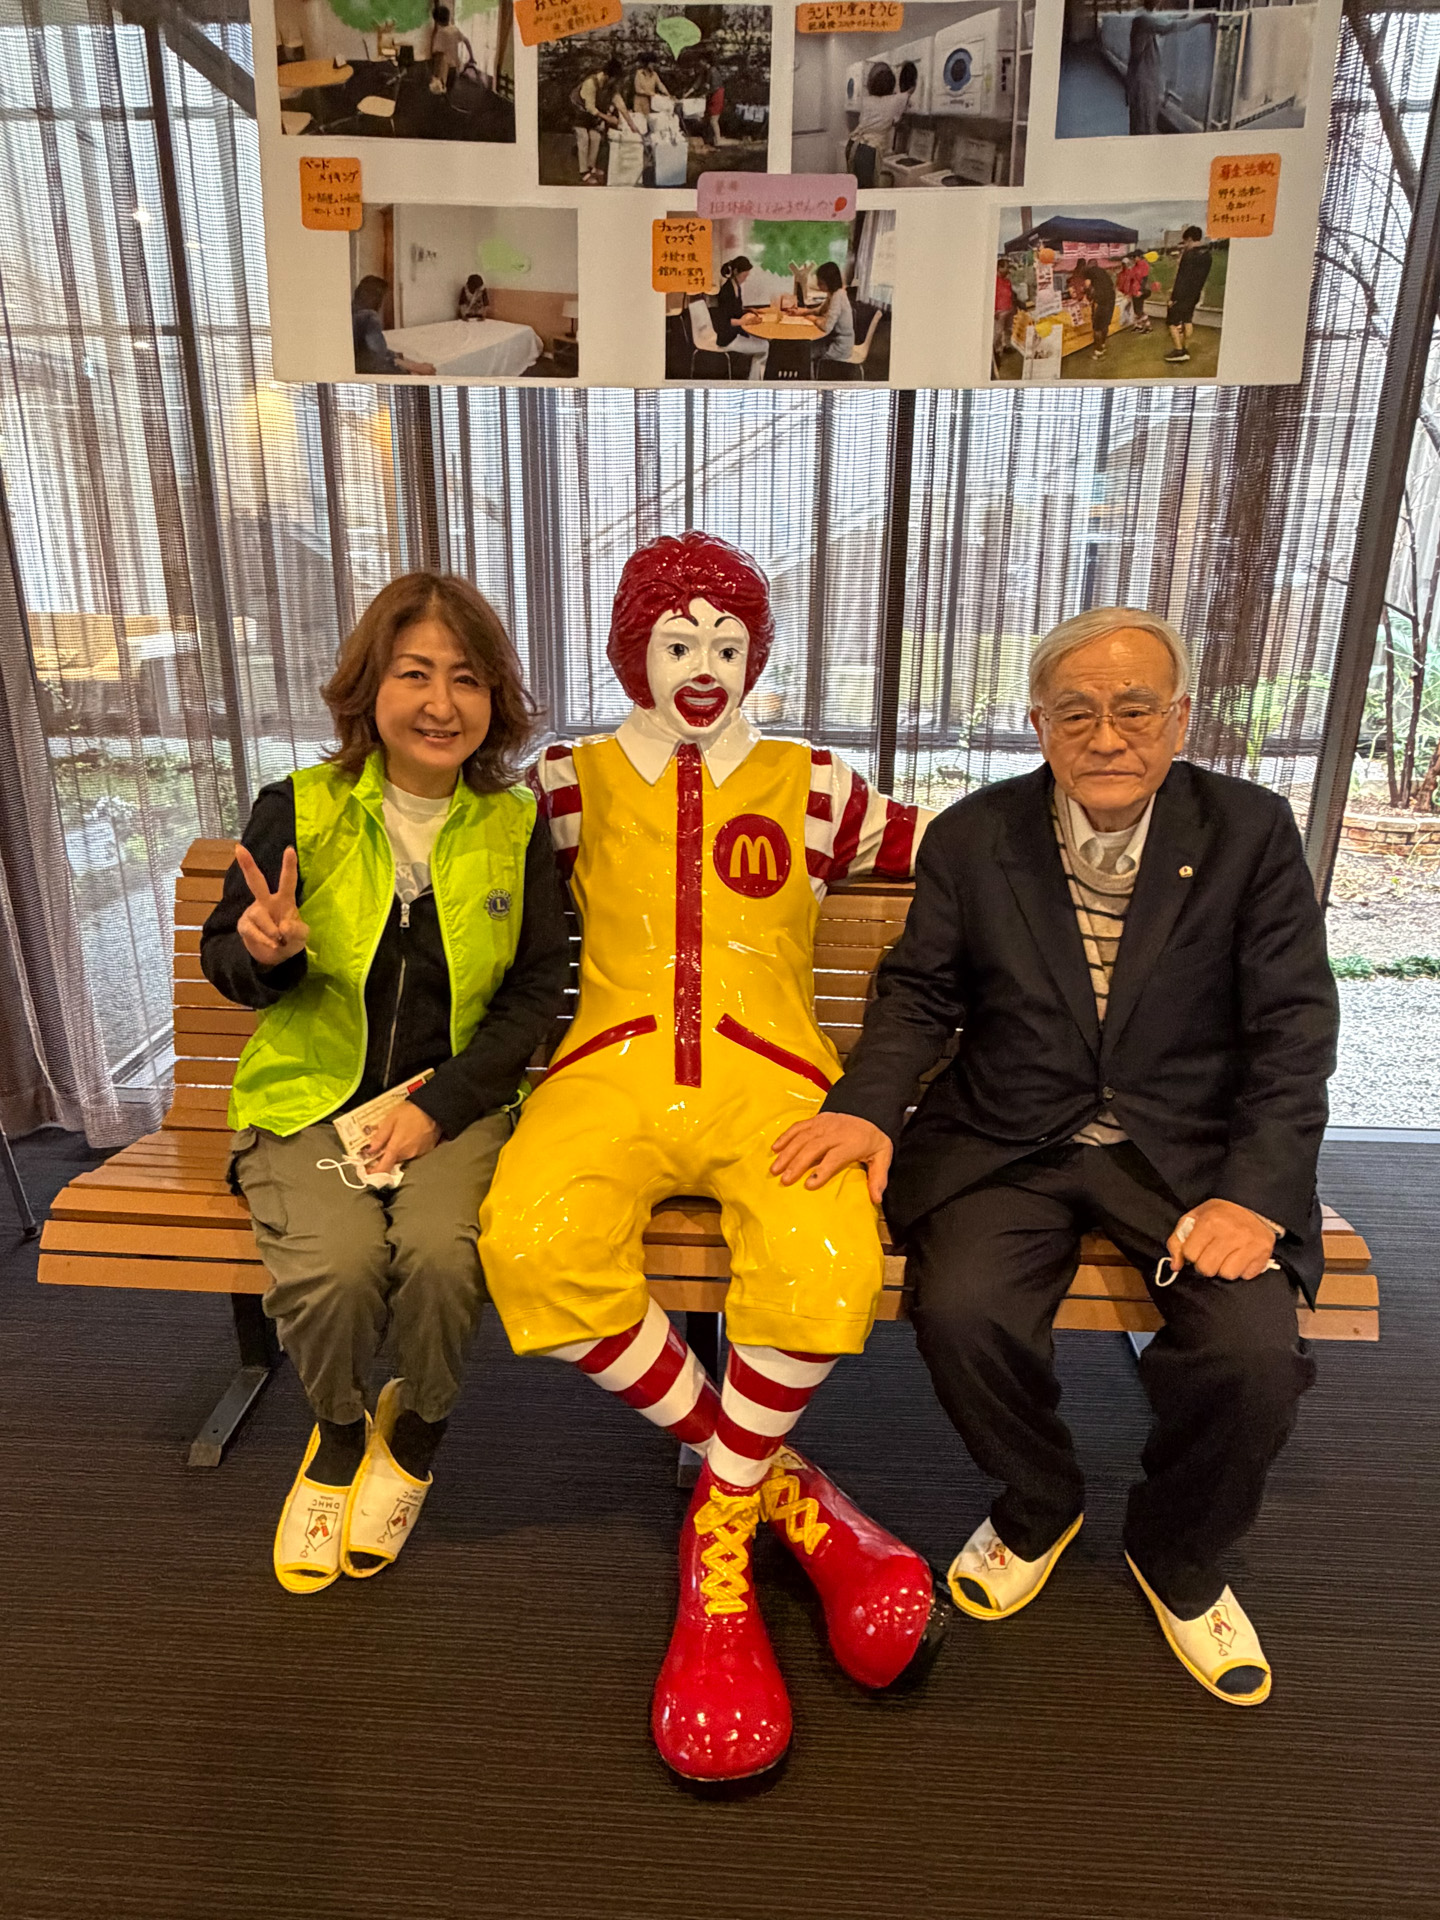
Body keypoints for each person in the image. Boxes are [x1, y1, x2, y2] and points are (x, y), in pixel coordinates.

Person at [774, 607, 1338, 1708]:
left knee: (1253, 1356)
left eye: (1135, 709)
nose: (1107, 735)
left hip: (1187, 1149)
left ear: (1180, 720)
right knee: (961, 1311)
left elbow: (1293, 1029)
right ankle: (1039, 1500)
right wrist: (869, 1108)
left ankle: (1177, 1550)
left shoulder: (1250, 830)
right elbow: (920, 995)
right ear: (1038, 724)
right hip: (1009, 1132)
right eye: (1076, 712)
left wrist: (1254, 1196)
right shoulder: (976, 834)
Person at [480, 532, 946, 1789]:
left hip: (773, 1079)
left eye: (729, 647)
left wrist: (1106, 826)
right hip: (606, 1069)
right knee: (528, 1241)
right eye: (678, 642)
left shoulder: (816, 784)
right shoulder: (564, 784)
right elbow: (457, 872)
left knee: (829, 1254)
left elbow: (963, 851)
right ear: (632, 652)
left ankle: (718, 1537)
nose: (703, 669)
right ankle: (782, 1489)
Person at [202, 574, 569, 1596]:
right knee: (338, 1267)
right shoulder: (299, 808)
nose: (441, 703)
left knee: (447, 1259)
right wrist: (262, 951)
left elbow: (537, 990)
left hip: (457, 1101)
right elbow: (227, 957)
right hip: (308, 1098)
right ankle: (335, 1430)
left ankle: (418, 1431)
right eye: (415, 673)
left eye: (467, 678)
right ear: (370, 686)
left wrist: (439, 1108)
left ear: (495, 699)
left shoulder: (514, 823)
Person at [1126, 0, 1216, 135]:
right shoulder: (1144, 19)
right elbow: (1170, 26)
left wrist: (1185, 16)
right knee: (1144, 122)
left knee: (1142, 120)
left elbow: (1166, 19)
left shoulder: (1143, 15)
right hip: (1143, 79)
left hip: (1141, 76)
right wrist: (1201, 19)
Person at [846, 61, 913, 189]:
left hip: (853, 145)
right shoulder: (896, 100)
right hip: (869, 150)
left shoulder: (866, 100)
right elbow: (911, 91)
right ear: (892, 84)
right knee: (869, 189)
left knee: (856, 187)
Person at [351, 277, 435, 377]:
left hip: (358, 366)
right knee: (420, 374)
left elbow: (375, 350)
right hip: (369, 369)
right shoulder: (369, 317)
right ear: (378, 298)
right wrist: (415, 367)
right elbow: (379, 356)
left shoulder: (350, 312)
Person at [714, 254, 769, 381]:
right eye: (744, 275)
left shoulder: (735, 286)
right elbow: (725, 321)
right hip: (728, 338)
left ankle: (754, 377)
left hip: (734, 333)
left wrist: (749, 310)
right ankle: (754, 380)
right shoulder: (726, 291)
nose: (745, 279)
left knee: (763, 341)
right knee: (765, 346)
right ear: (736, 272)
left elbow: (735, 310)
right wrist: (746, 321)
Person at [1165, 226, 1215, 364]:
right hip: (1195, 293)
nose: (1185, 245)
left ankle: (1179, 351)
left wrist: (1173, 298)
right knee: (1187, 320)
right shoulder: (1207, 254)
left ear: (1190, 239)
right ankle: (1185, 348)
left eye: (1186, 242)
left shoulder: (1189, 255)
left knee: (1172, 323)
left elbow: (1181, 278)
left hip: (1182, 295)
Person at [571, 57, 622, 183]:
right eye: (614, 79)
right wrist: (608, 118)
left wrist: (610, 112)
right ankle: (583, 172)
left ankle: (591, 166)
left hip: (591, 116)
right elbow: (590, 108)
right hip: (578, 113)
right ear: (608, 76)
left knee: (596, 137)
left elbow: (607, 102)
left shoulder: (605, 85)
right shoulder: (591, 83)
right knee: (583, 138)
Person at [810, 260, 855, 378]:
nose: (818, 285)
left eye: (821, 283)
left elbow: (827, 327)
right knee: (809, 348)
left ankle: (813, 379)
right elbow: (820, 310)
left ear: (829, 282)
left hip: (840, 346)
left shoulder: (838, 296)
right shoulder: (834, 294)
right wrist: (802, 312)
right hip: (834, 340)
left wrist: (814, 320)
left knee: (808, 353)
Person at [1079, 258, 1117, 360]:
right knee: (1105, 324)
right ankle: (1102, 345)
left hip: (1101, 301)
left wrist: (1085, 293)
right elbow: (1111, 285)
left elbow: (1087, 285)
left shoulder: (1088, 271)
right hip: (1111, 299)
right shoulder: (1103, 272)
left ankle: (1098, 352)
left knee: (1097, 328)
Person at [428, 4, 463, 94]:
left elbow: (439, 55)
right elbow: (465, 40)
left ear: (437, 20)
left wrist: (435, 74)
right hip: (454, 67)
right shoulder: (454, 29)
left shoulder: (441, 33)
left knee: (439, 92)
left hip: (444, 69)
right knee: (449, 92)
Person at [1117, 251, 1153, 334]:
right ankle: (1139, 326)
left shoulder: (1143, 265)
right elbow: (1131, 280)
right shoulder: (1135, 267)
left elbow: (1144, 279)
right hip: (1135, 290)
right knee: (1137, 309)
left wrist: (1141, 290)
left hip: (1141, 290)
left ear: (1138, 257)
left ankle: (1148, 326)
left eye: (1134, 257)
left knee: (1139, 310)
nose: (1132, 259)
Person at [631, 53, 670, 119]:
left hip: (650, 103)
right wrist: (651, 93)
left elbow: (660, 85)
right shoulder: (639, 73)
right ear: (647, 64)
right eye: (652, 63)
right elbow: (638, 90)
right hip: (640, 103)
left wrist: (667, 94)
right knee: (640, 120)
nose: (654, 65)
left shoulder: (654, 74)